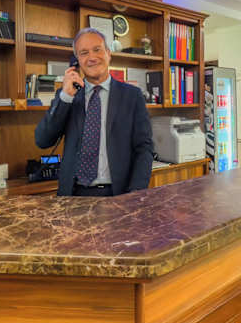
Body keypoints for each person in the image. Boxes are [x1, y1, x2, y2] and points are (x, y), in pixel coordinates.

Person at [35, 27, 153, 197]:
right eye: (84, 53)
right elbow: (42, 140)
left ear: (108, 54)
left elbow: (144, 148)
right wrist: (65, 97)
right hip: (73, 195)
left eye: (97, 50)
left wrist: (136, 193)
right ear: (76, 61)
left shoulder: (132, 96)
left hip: (119, 194)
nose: (91, 57)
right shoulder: (68, 95)